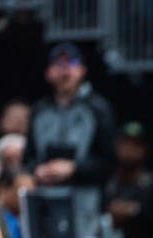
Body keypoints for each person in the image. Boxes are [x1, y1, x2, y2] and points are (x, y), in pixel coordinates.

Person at [24, 42, 116, 188]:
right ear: (48, 73)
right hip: (45, 194)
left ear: (82, 71)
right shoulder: (39, 110)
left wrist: (75, 168)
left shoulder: (98, 108)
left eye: (72, 63)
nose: (65, 70)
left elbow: (109, 161)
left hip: (86, 200)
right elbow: (29, 157)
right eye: (58, 64)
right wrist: (37, 169)